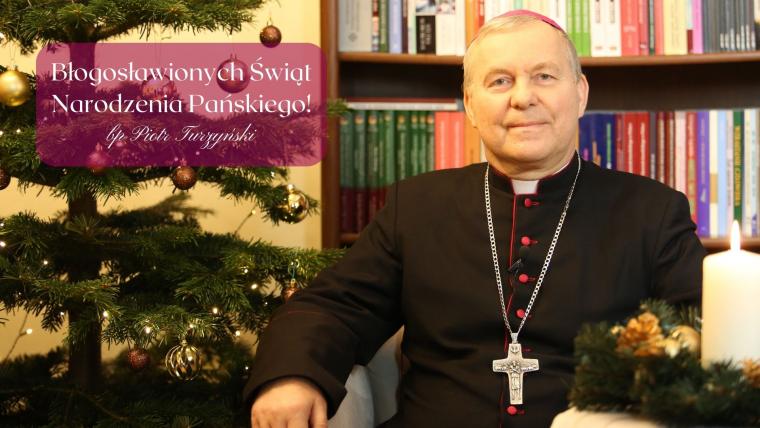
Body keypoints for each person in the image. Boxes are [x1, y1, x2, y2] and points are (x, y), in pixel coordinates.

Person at [246, 10, 705, 428]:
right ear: (469, 104)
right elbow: (336, 307)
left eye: (544, 76)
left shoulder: (652, 212)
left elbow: (705, 327)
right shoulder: (418, 206)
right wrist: (292, 376)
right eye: (500, 81)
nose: (523, 98)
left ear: (580, 94)